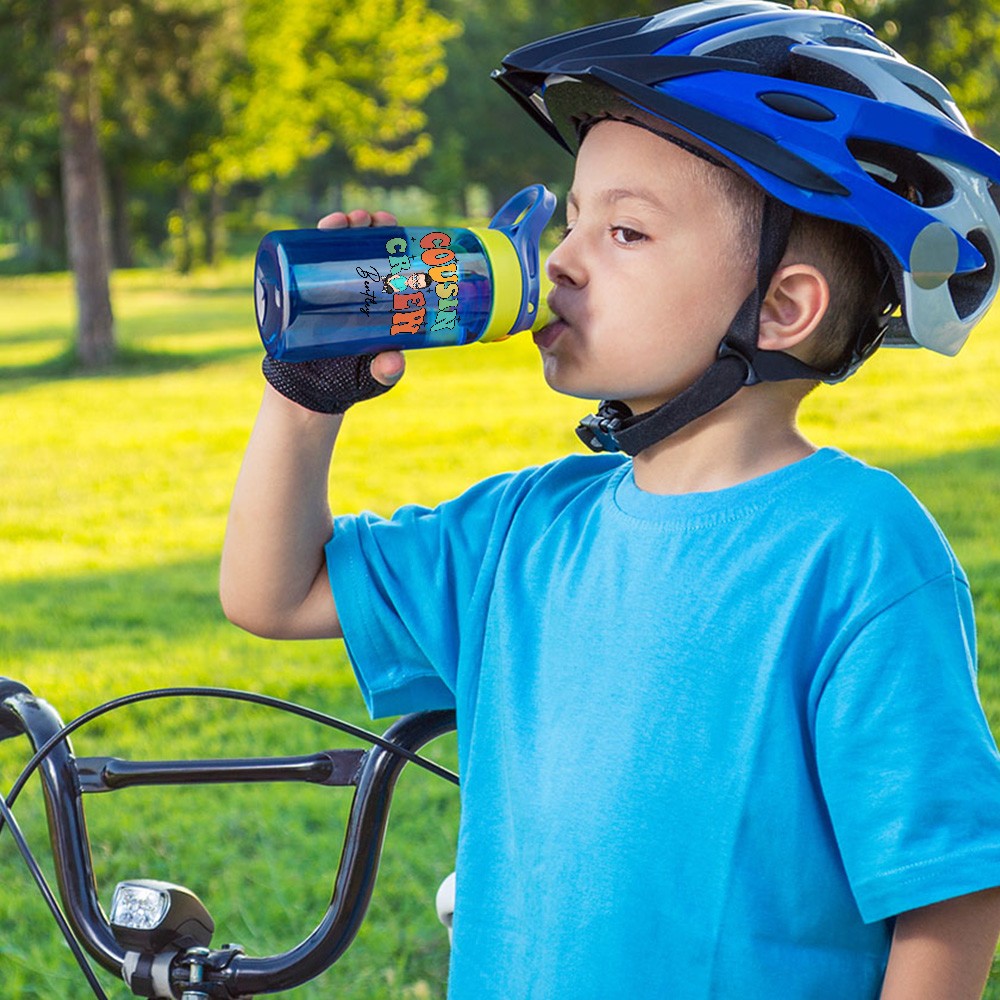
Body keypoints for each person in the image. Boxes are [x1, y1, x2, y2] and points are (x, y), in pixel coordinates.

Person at [220, 3, 1000, 996]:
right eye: (574, 217)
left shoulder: (856, 548)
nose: (561, 260)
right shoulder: (519, 529)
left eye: (626, 230)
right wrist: (305, 401)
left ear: (780, 307)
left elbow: (947, 896)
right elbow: (271, 591)